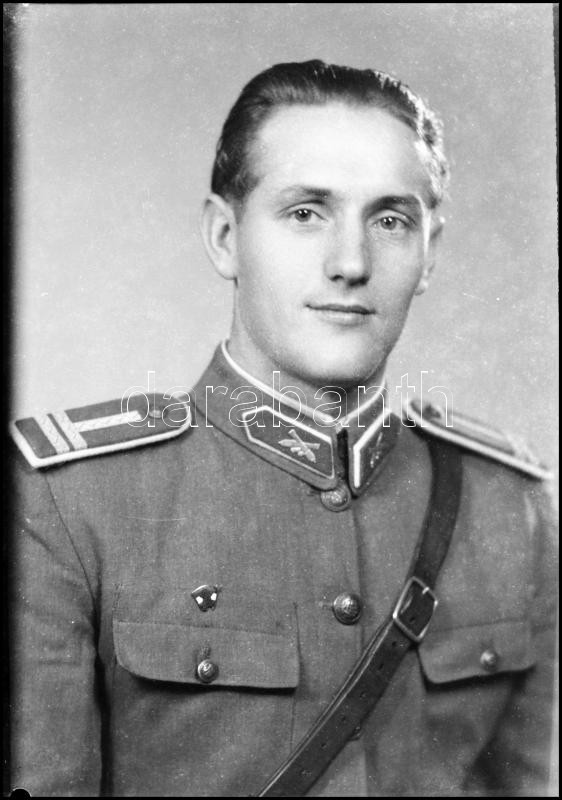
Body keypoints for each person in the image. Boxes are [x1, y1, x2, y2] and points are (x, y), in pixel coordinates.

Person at [9, 60, 557, 797]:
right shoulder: (66, 504)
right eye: (306, 213)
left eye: (390, 220)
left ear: (428, 253)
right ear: (225, 237)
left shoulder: (513, 509)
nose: (350, 263)